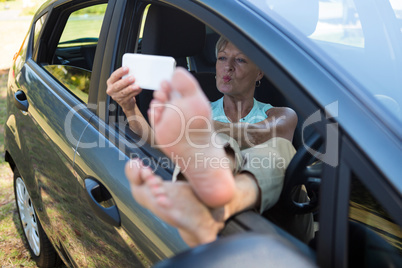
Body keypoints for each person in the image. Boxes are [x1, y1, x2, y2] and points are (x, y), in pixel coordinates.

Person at [107, 37, 310, 246]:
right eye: (222, 58)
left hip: (280, 223)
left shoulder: (281, 114)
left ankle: (208, 204)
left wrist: (192, 127)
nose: (227, 67)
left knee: (279, 146)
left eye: (240, 60)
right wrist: (129, 108)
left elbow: (257, 134)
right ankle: (210, 206)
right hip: (237, 231)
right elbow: (157, 143)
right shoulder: (197, 114)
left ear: (259, 72)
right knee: (218, 140)